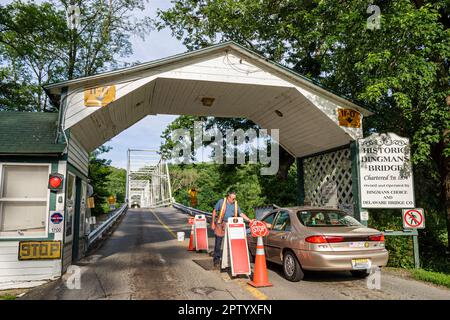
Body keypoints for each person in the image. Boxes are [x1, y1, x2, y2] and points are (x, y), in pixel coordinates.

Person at [211, 191, 253, 268]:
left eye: (235, 199)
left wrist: (249, 220)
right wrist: (213, 223)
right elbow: (214, 211)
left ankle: (229, 262)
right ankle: (216, 260)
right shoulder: (221, 202)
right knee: (218, 243)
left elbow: (241, 214)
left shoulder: (235, 204)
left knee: (230, 243)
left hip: (230, 224)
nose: (234, 200)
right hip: (220, 224)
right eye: (233, 199)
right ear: (228, 197)